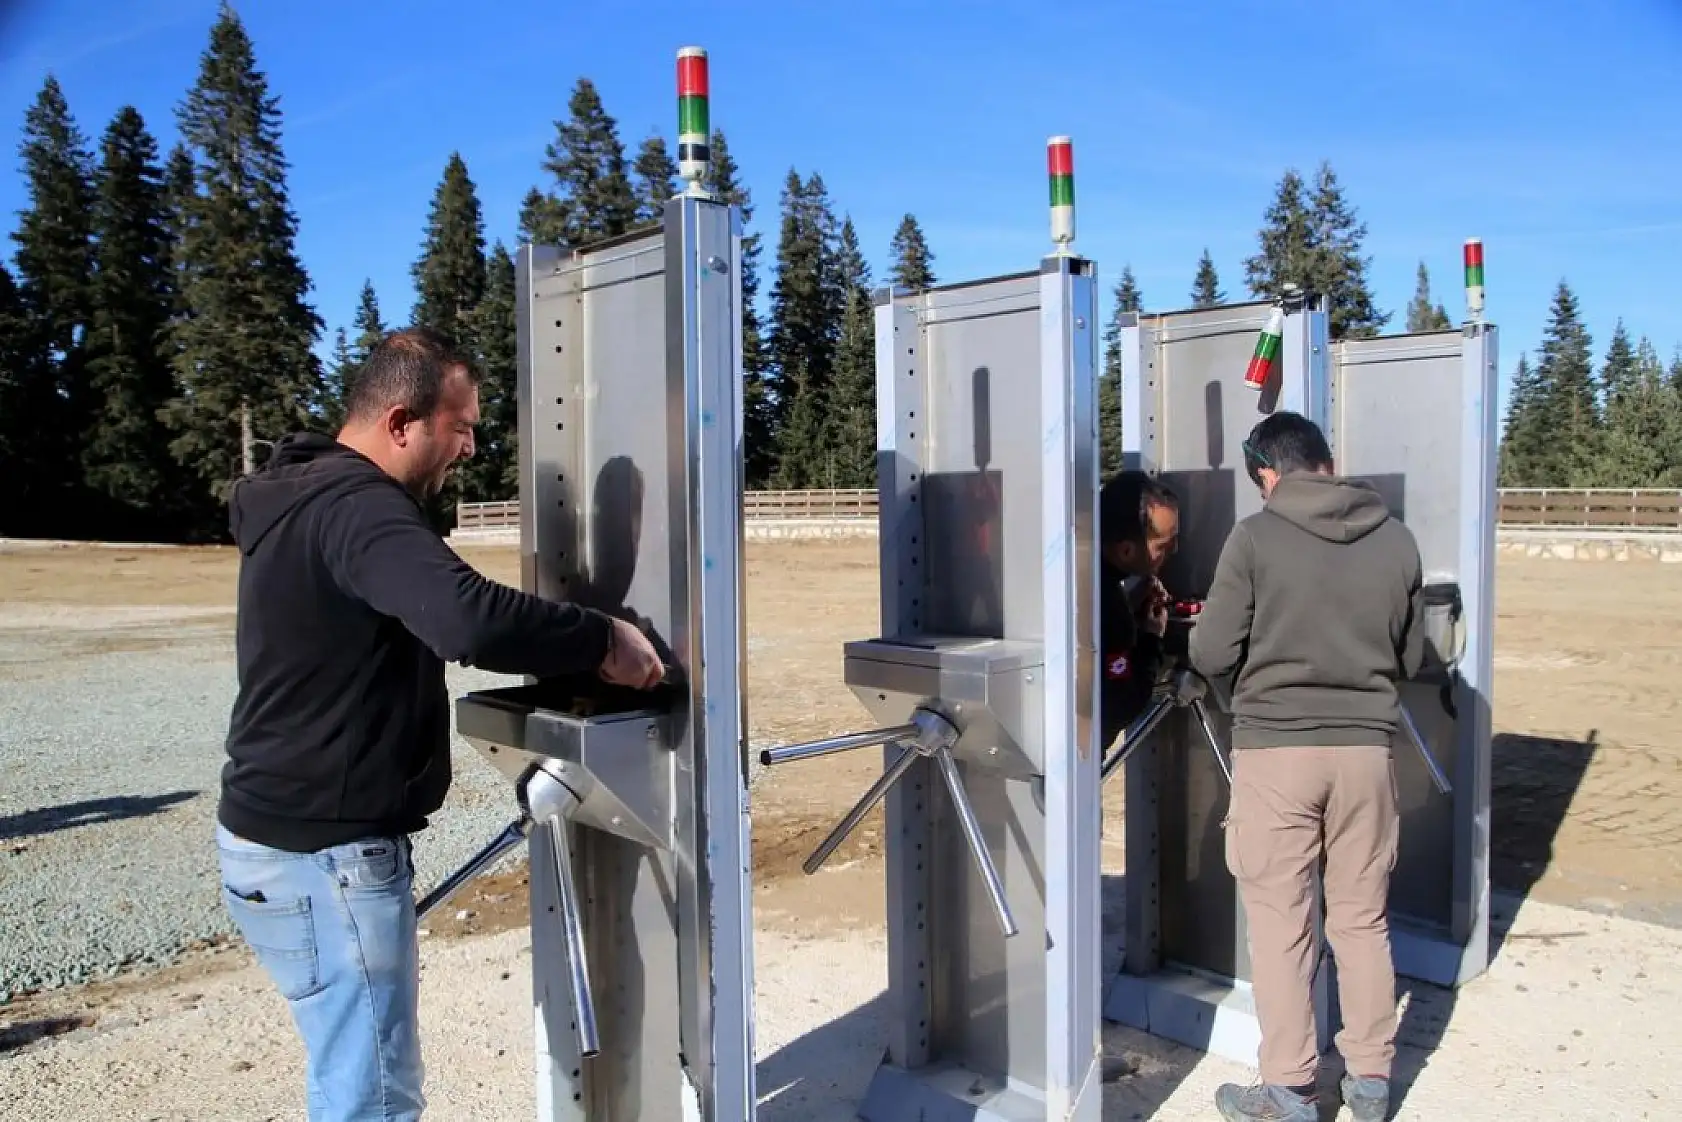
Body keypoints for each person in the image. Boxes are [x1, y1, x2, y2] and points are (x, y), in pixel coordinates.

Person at [213, 326, 665, 1121]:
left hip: (267, 841)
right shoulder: (359, 507)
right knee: (374, 1100)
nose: (468, 447)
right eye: (458, 428)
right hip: (329, 857)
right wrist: (601, 639)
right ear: (399, 422)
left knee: (347, 1071)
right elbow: (464, 618)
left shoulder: (298, 495)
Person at [1188, 411, 1424, 1122]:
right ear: (1326, 461)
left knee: (1285, 923)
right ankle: (1373, 1081)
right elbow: (1411, 658)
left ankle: (1290, 1091)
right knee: (1361, 920)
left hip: (1277, 754)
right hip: (1366, 755)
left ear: (1267, 470)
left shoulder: (1255, 537)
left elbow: (1210, 651)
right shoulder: (1397, 538)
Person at [1097, 469, 1181, 752]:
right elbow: (1122, 703)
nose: (1175, 550)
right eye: (1163, 546)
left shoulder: (1085, 579)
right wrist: (1151, 638)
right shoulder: (1109, 607)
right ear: (1125, 551)